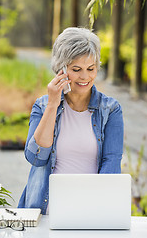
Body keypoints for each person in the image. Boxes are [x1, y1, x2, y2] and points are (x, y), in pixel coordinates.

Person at [18, 27, 124, 215]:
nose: (85, 77)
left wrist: (97, 211)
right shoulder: (42, 106)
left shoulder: (110, 109)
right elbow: (36, 157)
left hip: (90, 211)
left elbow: (111, 164)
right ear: (62, 69)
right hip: (45, 211)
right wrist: (53, 104)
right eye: (76, 69)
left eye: (91, 69)